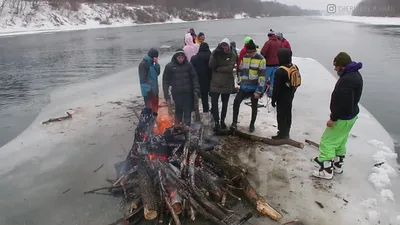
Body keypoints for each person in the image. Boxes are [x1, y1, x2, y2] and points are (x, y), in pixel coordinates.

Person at [312, 52, 363, 180]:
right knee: (340, 141)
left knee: (327, 142)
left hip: (342, 117)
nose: (335, 69)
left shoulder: (347, 80)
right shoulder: (355, 75)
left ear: (343, 66)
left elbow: (342, 102)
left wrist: (333, 118)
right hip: (351, 116)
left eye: (337, 66)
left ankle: (326, 170)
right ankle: (338, 166)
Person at [231, 40, 266, 133]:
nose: (249, 54)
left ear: (255, 50)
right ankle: (234, 123)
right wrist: (239, 80)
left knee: (254, 106)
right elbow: (241, 70)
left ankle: (252, 124)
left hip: (254, 88)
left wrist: (259, 91)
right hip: (243, 86)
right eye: (248, 52)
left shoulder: (261, 59)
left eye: (251, 52)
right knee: (236, 102)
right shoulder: (245, 57)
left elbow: (262, 77)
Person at [163, 49, 200, 126]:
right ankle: (178, 126)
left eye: (182, 57)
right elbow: (165, 81)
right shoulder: (169, 66)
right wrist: (166, 93)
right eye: (179, 57)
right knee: (178, 111)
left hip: (188, 93)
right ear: (176, 57)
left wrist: (196, 89)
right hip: (176, 93)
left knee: (187, 111)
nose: (181, 59)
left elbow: (194, 77)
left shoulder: (189, 65)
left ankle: (187, 127)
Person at [209, 38, 237, 131]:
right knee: (214, 104)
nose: (224, 47)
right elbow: (211, 66)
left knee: (225, 103)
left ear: (229, 46)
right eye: (223, 45)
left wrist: (218, 69)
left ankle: (222, 121)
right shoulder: (215, 53)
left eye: (226, 45)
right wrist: (215, 57)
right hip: (215, 82)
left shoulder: (232, 54)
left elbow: (230, 68)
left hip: (227, 82)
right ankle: (216, 122)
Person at [271, 48, 299, 139]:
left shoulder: (280, 71)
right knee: (288, 112)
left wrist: (273, 99)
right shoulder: (294, 67)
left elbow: (276, 87)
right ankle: (287, 131)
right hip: (291, 94)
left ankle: (282, 133)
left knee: (281, 114)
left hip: (282, 97)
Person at [190, 42, 212, 112]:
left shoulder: (194, 58)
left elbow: (191, 71)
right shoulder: (211, 57)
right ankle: (206, 112)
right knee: (205, 98)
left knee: (195, 98)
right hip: (209, 81)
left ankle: (195, 113)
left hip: (197, 81)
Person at [261, 29, 282, 97]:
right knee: (273, 81)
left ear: (269, 36)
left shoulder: (268, 42)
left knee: (264, 79)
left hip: (269, 65)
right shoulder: (280, 43)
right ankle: (271, 93)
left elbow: (262, 52)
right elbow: (282, 52)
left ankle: (261, 92)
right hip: (277, 65)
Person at [139, 48, 160, 116]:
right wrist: (149, 91)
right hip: (149, 92)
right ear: (153, 57)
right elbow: (143, 80)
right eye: (156, 57)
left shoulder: (152, 64)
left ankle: (154, 124)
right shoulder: (143, 64)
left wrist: (157, 64)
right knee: (149, 110)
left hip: (154, 90)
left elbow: (157, 73)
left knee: (155, 111)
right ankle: (147, 125)